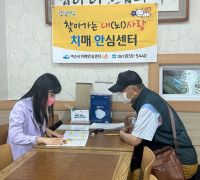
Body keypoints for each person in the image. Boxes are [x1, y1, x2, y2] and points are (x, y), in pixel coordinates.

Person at [108, 70, 198, 179]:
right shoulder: (146, 98)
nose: (119, 95)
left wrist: (121, 133)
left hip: (179, 162)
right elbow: (141, 127)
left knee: (128, 175)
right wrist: (131, 128)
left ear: (134, 90)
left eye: (121, 92)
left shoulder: (148, 106)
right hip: (170, 156)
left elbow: (135, 140)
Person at [7, 73, 66, 161]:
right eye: (51, 95)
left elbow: (32, 124)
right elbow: (14, 136)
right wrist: (42, 139)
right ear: (40, 91)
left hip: (35, 154)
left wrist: (46, 129)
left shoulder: (38, 105)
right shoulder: (20, 107)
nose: (53, 99)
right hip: (21, 159)